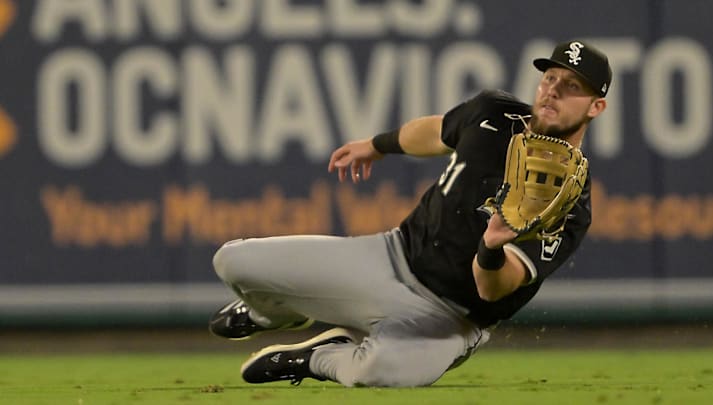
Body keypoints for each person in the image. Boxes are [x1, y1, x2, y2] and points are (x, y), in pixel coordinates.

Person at [209, 40, 611, 387]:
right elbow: (436, 132)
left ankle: (317, 357)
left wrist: (490, 247)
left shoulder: (571, 203)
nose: (552, 90)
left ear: (596, 106)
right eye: (550, 78)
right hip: (389, 257)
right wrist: (378, 144)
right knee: (232, 261)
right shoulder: (494, 112)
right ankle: (273, 313)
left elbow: (493, 289)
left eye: (571, 86)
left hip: (448, 319)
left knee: (381, 372)